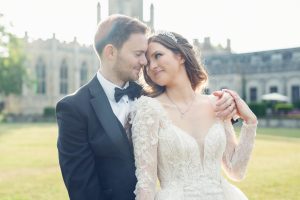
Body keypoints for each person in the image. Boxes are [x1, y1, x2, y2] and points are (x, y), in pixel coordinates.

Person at [56, 14, 237, 200]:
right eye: (138, 54)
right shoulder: (73, 109)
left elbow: (191, 105)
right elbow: (82, 190)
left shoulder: (151, 97)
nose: (145, 62)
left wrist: (229, 102)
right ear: (111, 52)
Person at [131, 31, 258, 200]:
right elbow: (146, 184)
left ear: (181, 56)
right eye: (148, 62)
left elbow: (236, 171)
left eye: (158, 55)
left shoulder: (216, 104)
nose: (152, 66)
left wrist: (250, 122)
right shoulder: (148, 109)